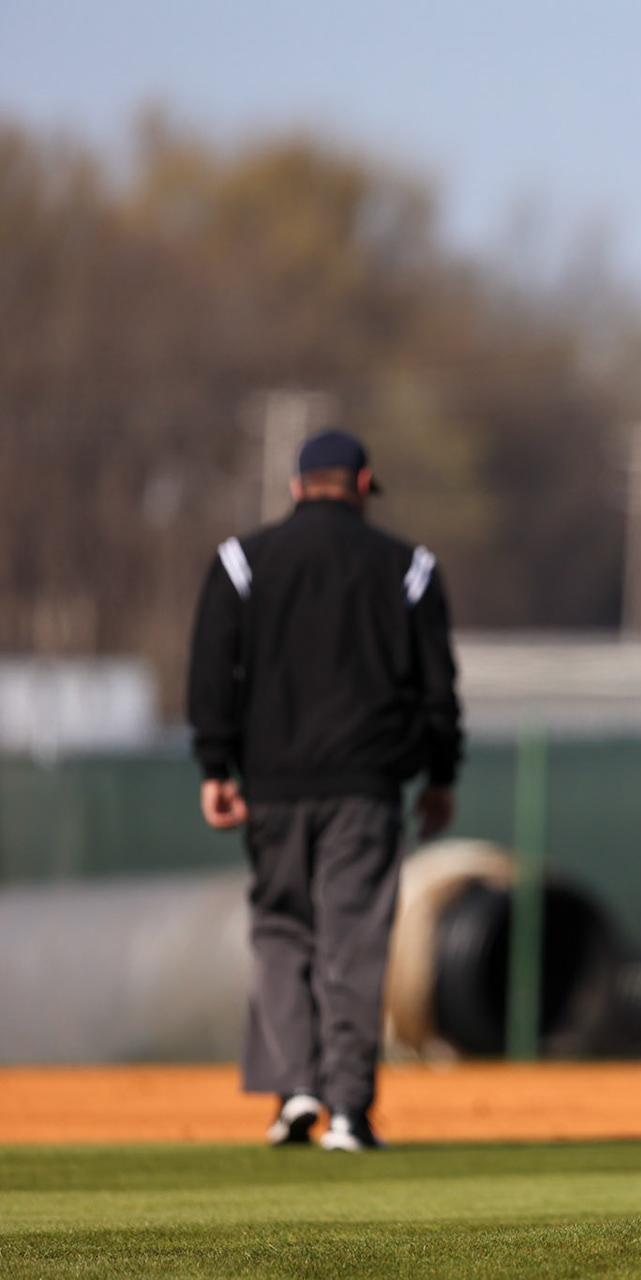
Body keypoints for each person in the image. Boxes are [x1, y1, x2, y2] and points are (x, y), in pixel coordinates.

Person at [187, 429, 462, 1152]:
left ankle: (295, 1089)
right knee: (354, 938)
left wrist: (216, 766)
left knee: (282, 932)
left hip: (272, 784)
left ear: (296, 487)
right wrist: (440, 775)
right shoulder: (409, 567)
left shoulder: (243, 562)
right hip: (367, 786)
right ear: (365, 484)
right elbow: (439, 688)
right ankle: (346, 1110)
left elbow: (212, 671)